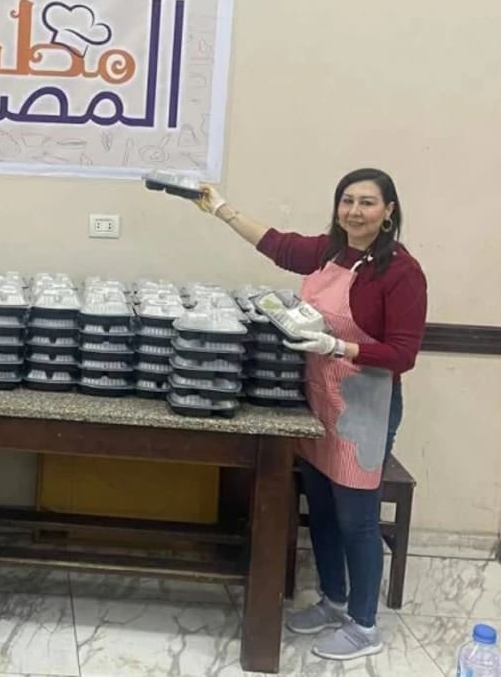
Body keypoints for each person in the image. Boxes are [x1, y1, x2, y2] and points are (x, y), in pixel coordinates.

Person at [191, 168, 427, 662]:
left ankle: (364, 625)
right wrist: (219, 208)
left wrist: (338, 344)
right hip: (318, 399)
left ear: (388, 213)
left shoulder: (401, 272)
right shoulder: (329, 252)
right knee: (319, 506)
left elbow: (403, 353)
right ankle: (333, 600)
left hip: (366, 406)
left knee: (357, 519)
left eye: (366, 203)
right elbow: (277, 245)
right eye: (347, 201)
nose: (354, 211)